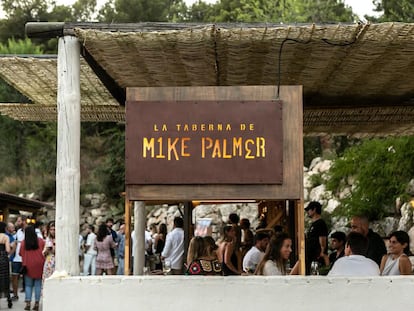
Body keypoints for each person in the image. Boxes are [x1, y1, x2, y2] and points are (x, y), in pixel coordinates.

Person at [20, 225, 45, 311]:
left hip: (28, 265)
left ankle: (28, 303)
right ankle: (37, 303)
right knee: (38, 284)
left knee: (28, 285)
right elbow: (44, 250)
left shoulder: (23, 243)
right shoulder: (41, 241)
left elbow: (20, 253)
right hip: (39, 264)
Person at [305, 201, 329, 274]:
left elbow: (323, 241)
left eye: (309, 209)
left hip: (317, 259)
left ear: (314, 209)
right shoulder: (313, 224)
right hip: (310, 257)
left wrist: (322, 252)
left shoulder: (320, 223)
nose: (307, 212)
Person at [12, 215, 28, 300]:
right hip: (17, 258)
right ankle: (15, 295)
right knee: (14, 276)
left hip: (26, 258)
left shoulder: (31, 231)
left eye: (19, 221)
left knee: (28, 277)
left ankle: (28, 297)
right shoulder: (18, 231)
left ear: (24, 221)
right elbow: (15, 243)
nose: (17, 223)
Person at [0, 222, 12, 309]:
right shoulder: (5, 237)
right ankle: (8, 299)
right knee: (5, 279)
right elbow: (8, 250)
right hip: (3, 259)